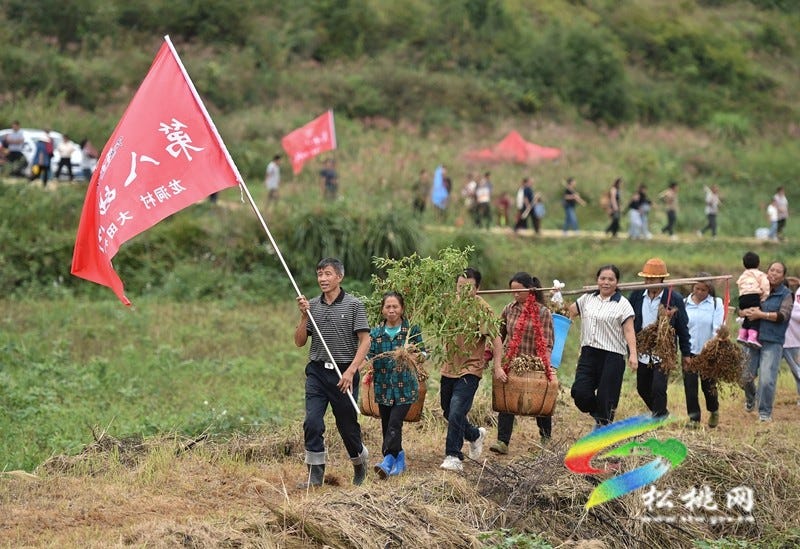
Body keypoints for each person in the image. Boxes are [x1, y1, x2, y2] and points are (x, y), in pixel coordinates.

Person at [294, 257, 371, 487]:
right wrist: (304, 316)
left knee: (347, 427)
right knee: (312, 422)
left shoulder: (354, 305)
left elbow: (365, 341)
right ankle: (315, 475)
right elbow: (299, 342)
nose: (322, 279)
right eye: (319, 274)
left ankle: (359, 461)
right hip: (317, 372)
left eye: (327, 274)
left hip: (344, 373)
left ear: (339, 276)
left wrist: (351, 371)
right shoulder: (313, 306)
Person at [440, 267, 503, 472]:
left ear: (477, 288)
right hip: (449, 366)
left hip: (470, 368)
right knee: (448, 411)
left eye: (468, 288)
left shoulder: (482, 310)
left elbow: (496, 338)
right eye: (460, 287)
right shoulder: (449, 305)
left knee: (458, 408)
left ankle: (453, 456)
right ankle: (475, 435)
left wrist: (497, 366)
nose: (463, 292)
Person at [490, 272, 554, 455]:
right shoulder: (509, 309)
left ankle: (545, 438)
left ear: (530, 290)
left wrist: (545, 367)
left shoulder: (543, 312)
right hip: (513, 361)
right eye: (513, 292)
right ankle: (502, 441)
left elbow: (548, 343)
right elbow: (499, 335)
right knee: (506, 400)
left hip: (534, 362)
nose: (515, 295)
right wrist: (495, 360)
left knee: (540, 401)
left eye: (519, 291)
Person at [568, 265, 638, 428]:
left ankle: (603, 425)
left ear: (617, 282)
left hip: (612, 355)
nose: (606, 282)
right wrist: (556, 296)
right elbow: (570, 311)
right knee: (579, 392)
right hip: (588, 352)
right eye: (603, 279)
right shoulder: (587, 299)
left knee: (607, 396)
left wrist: (633, 354)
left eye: (610, 279)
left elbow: (629, 330)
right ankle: (599, 414)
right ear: (597, 280)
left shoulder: (623, 304)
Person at [367, 291, 425, 479]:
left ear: (402, 309)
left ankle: (388, 460)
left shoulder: (411, 330)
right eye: (387, 307)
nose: (391, 310)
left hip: (405, 388)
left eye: (395, 307)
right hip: (383, 388)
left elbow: (424, 353)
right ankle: (398, 459)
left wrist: (415, 355)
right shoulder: (375, 333)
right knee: (387, 425)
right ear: (382, 310)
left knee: (394, 423)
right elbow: (369, 356)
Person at [628, 257, 692, 419]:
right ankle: (661, 413)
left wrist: (686, 353)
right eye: (647, 278)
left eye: (653, 279)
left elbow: (682, 327)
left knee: (658, 386)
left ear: (662, 279)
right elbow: (628, 321)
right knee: (642, 387)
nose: (650, 282)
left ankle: (658, 417)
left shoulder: (673, 298)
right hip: (643, 348)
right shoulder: (636, 296)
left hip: (664, 349)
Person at [741, 262, 792, 422]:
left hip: (772, 341)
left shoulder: (786, 295)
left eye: (778, 272)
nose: (774, 274)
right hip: (751, 339)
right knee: (744, 376)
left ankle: (764, 413)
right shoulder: (757, 287)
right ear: (767, 271)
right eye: (772, 270)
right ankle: (751, 399)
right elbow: (742, 305)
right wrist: (744, 312)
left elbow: (783, 315)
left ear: (783, 276)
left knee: (767, 379)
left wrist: (761, 315)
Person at [683, 275, 724, 428]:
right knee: (690, 387)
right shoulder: (684, 303)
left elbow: (718, 327)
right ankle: (694, 419)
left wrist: (712, 345)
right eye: (697, 289)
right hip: (689, 351)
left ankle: (714, 410)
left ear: (709, 289)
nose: (700, 292)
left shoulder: (715, 303)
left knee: (709, 386)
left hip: (708, 352)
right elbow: (682, 327)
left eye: (704, 289)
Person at [736, 251, 770, 347]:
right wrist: (764, 297)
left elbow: (739, 284)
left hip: (742, 298)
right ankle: (752, 338)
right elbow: (765, 286)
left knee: (747, 315)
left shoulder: (743, 275)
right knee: (755, 315)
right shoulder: (760, 274)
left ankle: (742, 335)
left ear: (744, 264)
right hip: (754, 296)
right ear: (758, 263)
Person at [780, 276, 800, 407]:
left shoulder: (795, 296)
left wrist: (787, 311)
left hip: (792, 341)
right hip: (774, 341)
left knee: (797, 371)